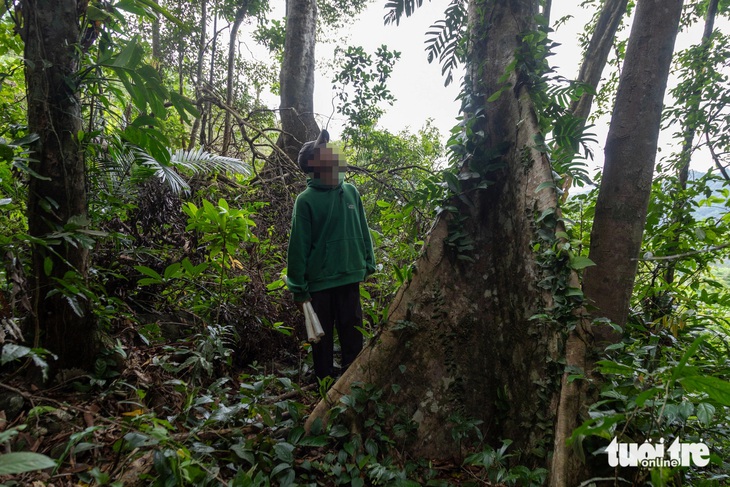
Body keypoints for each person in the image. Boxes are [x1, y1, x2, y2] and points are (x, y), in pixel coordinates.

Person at [286, 129, 376, 380]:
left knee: (352, 333)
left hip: (349, 276)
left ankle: (352, 384)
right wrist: (297, 286)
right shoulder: (305, 200)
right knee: (322, 338)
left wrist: (369, 260)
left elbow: (362, 227)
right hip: (320, 283)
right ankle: (324, 386)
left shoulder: (350, 192)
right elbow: (298, 245)